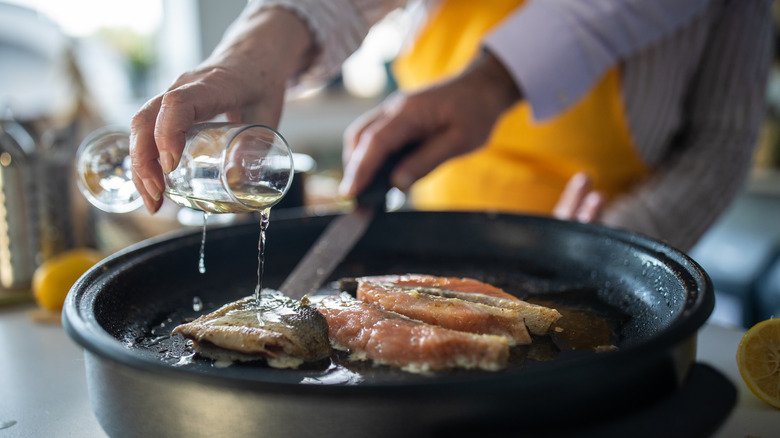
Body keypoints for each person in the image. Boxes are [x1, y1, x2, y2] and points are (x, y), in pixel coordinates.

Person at [130, 0, 773, 252]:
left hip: (598, 256)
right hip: (425, 257)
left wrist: (621, 250)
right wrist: (250, 55)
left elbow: (722, 141)